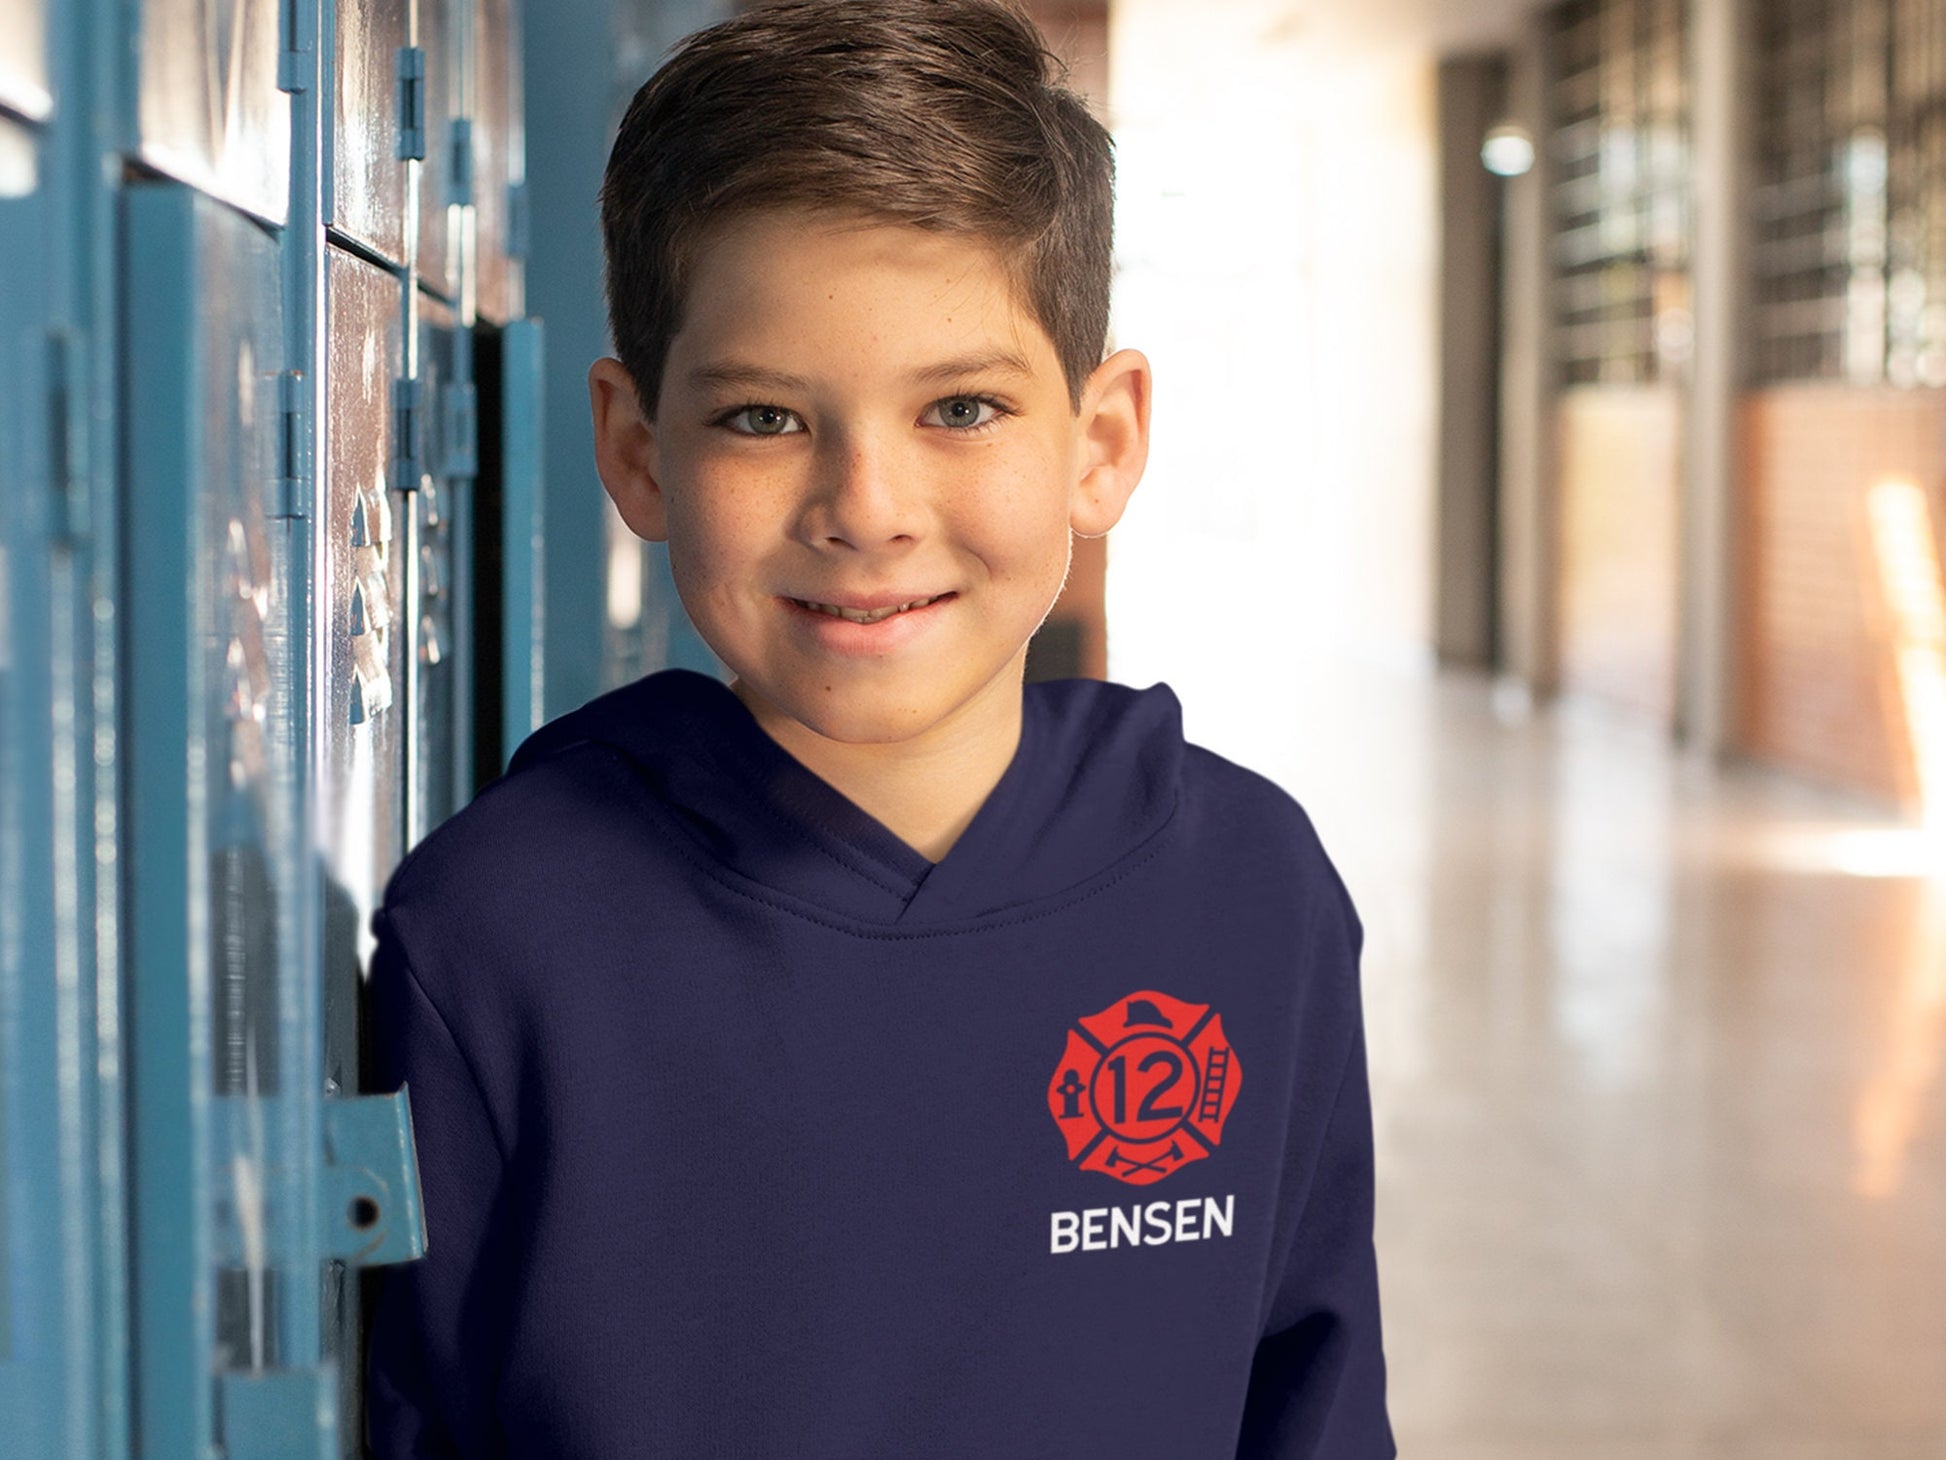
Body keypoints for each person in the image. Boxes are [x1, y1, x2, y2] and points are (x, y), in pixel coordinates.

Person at [362, 0, 1395, 1453]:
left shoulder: (1246, 889)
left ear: (1099, 444)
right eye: (765, 420)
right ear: (634, 452)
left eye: (960, 408)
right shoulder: (497, 933)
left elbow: (1313, 1395)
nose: (867, 507)